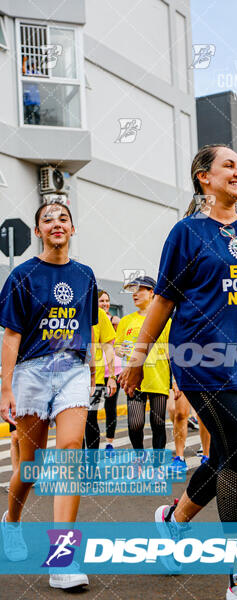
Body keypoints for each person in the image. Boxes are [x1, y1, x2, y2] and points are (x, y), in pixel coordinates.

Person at [120, 144, 237, 600]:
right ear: (204, 177)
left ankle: (174, 521)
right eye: (230, 165)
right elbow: (163, 300)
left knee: (225, 453)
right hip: (198, 359)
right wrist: (137, 357)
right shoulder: (186, 233)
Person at [0, 200, 98, 589]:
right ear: (38, 231)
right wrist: (5, 387)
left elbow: (85, 329)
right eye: (47, 220)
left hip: (71, 368)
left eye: (63, 219)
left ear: (72, 229)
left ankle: (62, 558)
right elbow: (11, 335)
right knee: (31, 467)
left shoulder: (86, 276)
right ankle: (12, 521)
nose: (56, 224)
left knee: (71, 447)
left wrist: (91, 370)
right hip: (31, 372)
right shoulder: (23, 275)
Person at [115, 276, 171, 450]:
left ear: (152, 292)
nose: (135, 294)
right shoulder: (126, 321)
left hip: (158, 378)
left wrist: (175, 381)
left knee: (158, 424)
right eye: (133, 290)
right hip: (134, 379)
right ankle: (139, 458)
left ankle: (157, 468)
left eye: (140, 290)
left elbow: (172, 353)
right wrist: (120, 350)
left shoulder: (165, 321)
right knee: (135, 424)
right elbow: (117, 347)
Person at [84, 306, 116, 450]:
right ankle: (78, 465)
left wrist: (112, 376)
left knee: (90, 419)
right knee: (75, 424)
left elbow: (108, 347)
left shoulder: (99, 314)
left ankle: (91, 466)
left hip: (95, 378)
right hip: (70, 377)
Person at [98, 290, 121, 450]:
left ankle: (109, 443)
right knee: (91, 410)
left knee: (110, 408)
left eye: (107, 300)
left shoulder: (115, 321)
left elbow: (122, 344)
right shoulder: (94, 320)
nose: (105, 304)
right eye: (101, 301)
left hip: (114, 371)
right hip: (97, 372)